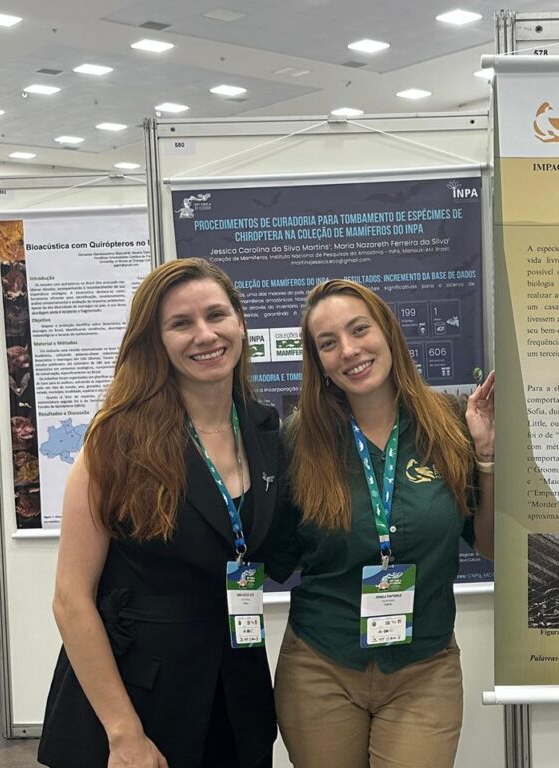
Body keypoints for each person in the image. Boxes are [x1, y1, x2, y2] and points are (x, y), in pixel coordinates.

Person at [38, 259, 281, 768]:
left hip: (238, 700)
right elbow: (71, 600)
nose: (205, 335)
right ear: (156, 340)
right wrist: (123, 733)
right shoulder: (115, 442)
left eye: (217, 315)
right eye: (181, 323)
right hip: (140, 702)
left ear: (240, 322)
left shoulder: (264, 431)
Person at [269, 278, 494, 768]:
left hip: (423, 667)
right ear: (318, 362)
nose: (349, 350)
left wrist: (488, 457)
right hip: (321, 665)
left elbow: (492, 545)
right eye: (328, 343)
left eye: (359, 329)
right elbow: (277, 552)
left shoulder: (450, 424)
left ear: (388, 331)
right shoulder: (298, 441)